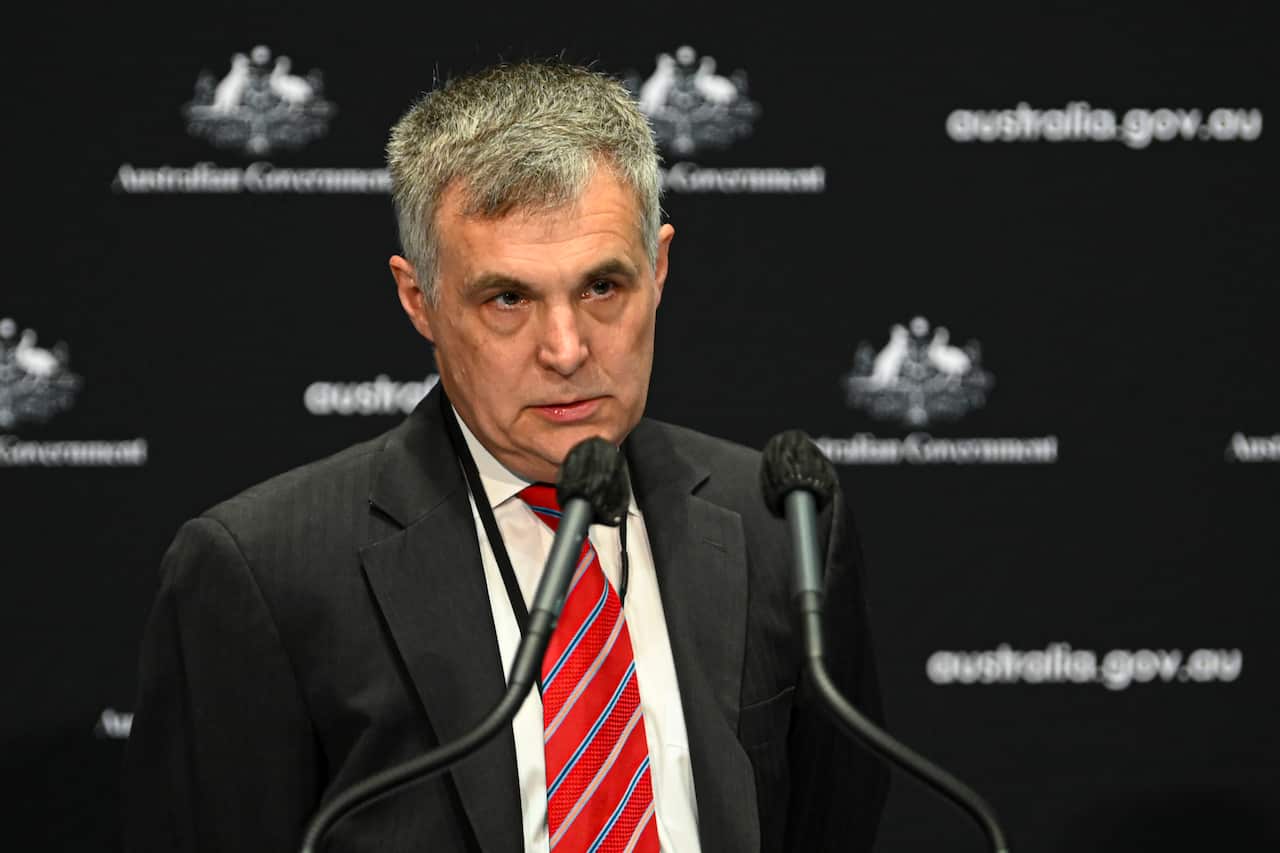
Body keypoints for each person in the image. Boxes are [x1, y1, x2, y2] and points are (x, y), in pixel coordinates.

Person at [122, 60, 888, 853]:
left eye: (602, 287)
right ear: (418, 298)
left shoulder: (779, 521)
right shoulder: (265, 573)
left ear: (658, 268)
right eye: (508, 299)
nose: (566, 349)